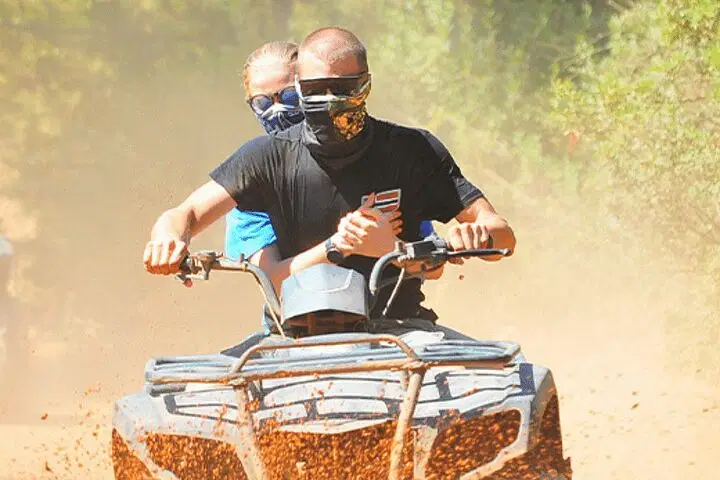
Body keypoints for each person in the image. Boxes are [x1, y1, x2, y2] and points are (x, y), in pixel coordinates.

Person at [143, 26, 516, 339]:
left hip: (402, 329)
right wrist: (168, 239)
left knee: (511, 381)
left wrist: (472, 237)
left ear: (365, 86)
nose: (327, 99)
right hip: (290, 335)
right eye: (314, 89)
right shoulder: (264, 157)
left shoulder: (413, 150)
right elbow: (185, 214)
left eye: (341, 89)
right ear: (301, 86)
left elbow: (501, 235)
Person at [226, 40, 437, 273]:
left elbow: (432, 267)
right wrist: (342, 243)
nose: (277, 111)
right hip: (300, 297)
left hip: (389, 295)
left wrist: (392, 247)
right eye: (262, 102)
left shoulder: (383, 160)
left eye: (290, 97)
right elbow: (270, 278)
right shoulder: (253, 178)